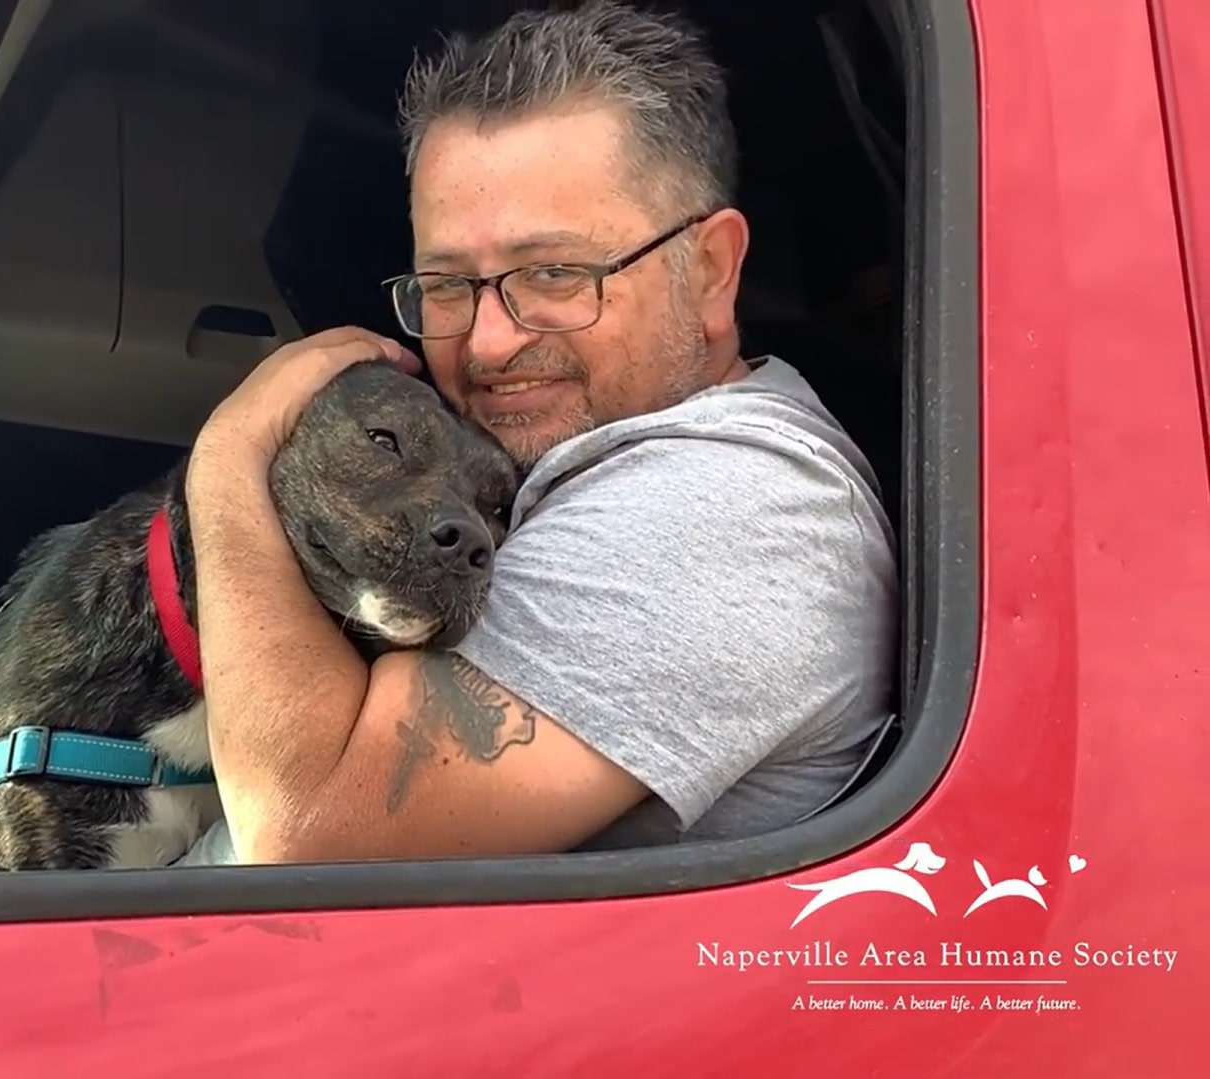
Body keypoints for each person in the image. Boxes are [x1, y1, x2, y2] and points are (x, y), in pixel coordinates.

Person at [177, 0, 897, 865]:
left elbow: (304, 835)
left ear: (709, 270)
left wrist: (230, 454)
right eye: (447, 285)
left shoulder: (732, 505)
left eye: (554, 273)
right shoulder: (603, 466)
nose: (487, 342)